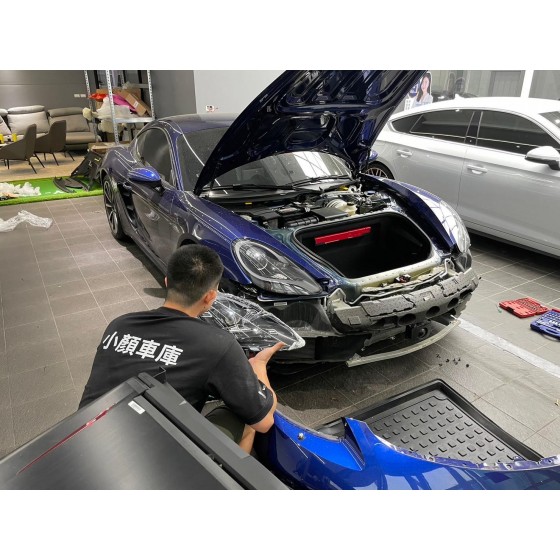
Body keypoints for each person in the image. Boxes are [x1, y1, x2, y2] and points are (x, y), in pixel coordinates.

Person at [79, 244, 283, 453]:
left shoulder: (119, 325)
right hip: (154, 462)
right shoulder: (218, 344)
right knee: (246, 418)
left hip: (82, 441)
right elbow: (264, 421)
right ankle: (225, 473)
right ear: (210, 296)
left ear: (167, 282)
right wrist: (258, 365)